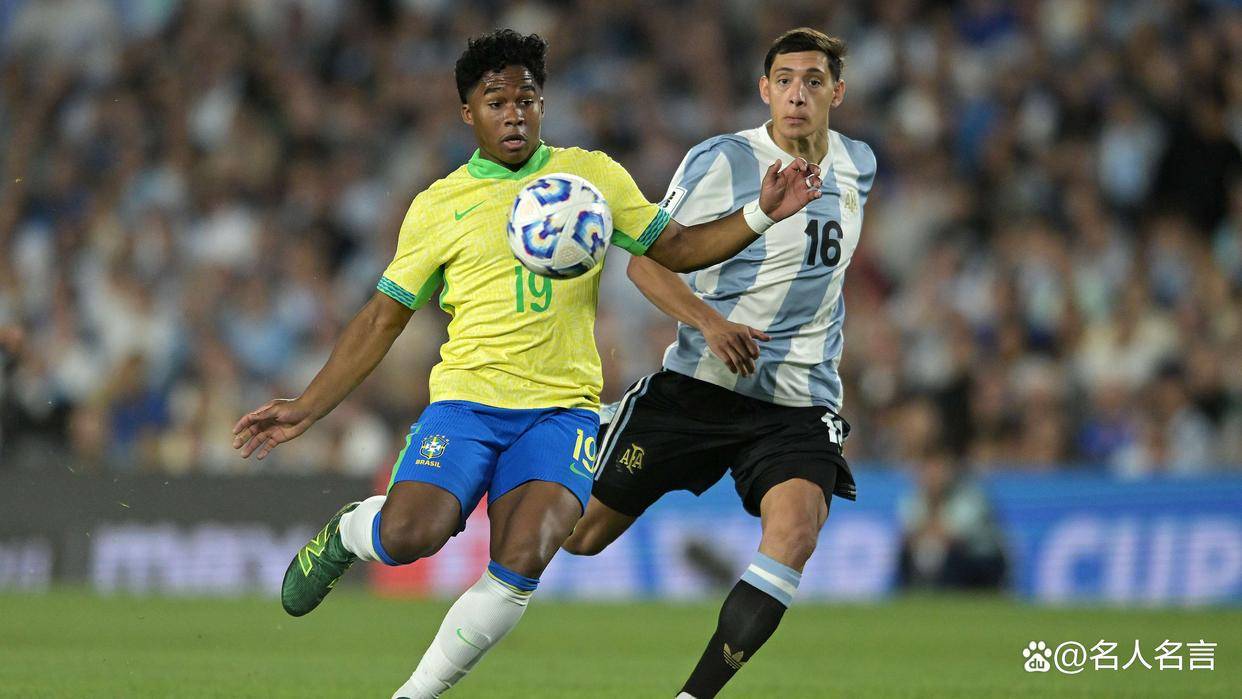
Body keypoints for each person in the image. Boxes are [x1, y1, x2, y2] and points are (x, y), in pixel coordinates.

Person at [229, 29, 822, 699]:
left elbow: (676, 247)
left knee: (524, 557)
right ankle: (349, 530)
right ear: (468, 113)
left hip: (562, 411)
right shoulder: (440, 205)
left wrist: (759, 213)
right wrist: (308, 406)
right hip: (467, 403)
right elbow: (381, 318)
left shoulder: (593, 177)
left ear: (542, 104)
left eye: (526, 100)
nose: (514, 114)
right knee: (410, 534)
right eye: (496, 102)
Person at [561, 28, 874, 699]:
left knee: (795, 533)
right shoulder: (722, 160)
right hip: (701, 384)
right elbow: (645, 262)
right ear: (764, 90)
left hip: (799, 402)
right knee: (580, 537)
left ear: (837, 93)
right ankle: (557, 435)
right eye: (784, 80)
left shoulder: (859, 164)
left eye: (813, 81)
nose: (797, 94)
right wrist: (710, 321)